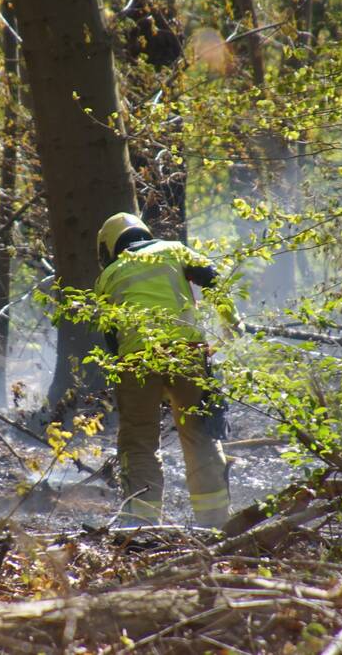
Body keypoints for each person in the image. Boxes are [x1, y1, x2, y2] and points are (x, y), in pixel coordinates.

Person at [94, 212, 232, 528]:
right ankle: (216, 523)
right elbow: (212, 276)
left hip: (136, 360)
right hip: (188, 354)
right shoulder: (174, 249)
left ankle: (140, 525)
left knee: (139, 441)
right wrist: (231, 321)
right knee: (200, 435)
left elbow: (112, 339)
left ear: (109, 246)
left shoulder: (107, 277)